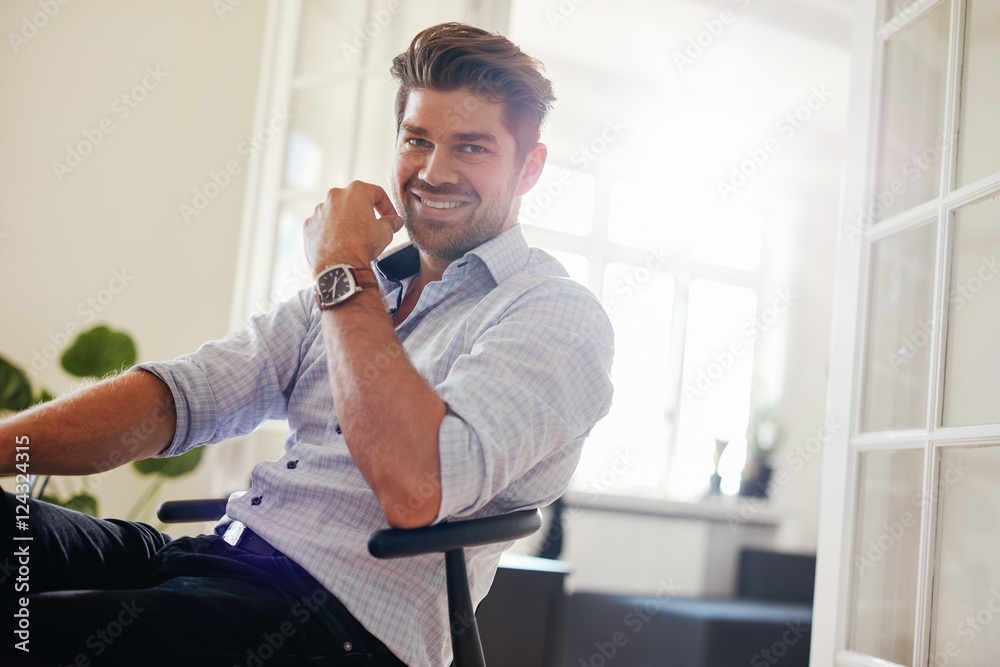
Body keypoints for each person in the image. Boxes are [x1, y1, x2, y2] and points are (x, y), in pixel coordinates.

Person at [0, 22, 614, 666]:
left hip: (332, 625)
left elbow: (414, 489)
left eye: (472, 147)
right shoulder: (359, 288)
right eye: (417, 140)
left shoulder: (551, 314)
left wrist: (342, 266)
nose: (434, 172)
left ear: (530, 168)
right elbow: (183, 399)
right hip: (211, 561)